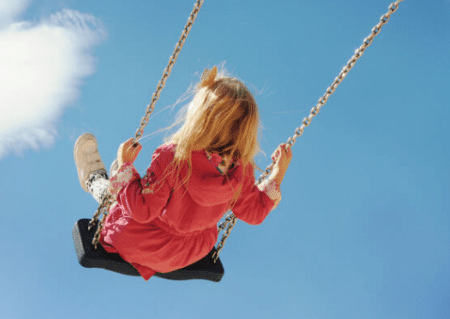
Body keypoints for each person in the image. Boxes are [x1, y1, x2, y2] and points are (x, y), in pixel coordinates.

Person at [73, 66, 292, 280]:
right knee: (132, 190)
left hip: (139, 242)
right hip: (187, 254)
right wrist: (278, 172)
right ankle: (123, 179)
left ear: (199, 116)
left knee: (119, 203)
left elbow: (142, 210)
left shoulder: (173, 158)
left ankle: (96, 180)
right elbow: (256, 212)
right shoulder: (242, 172)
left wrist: (125, 164)